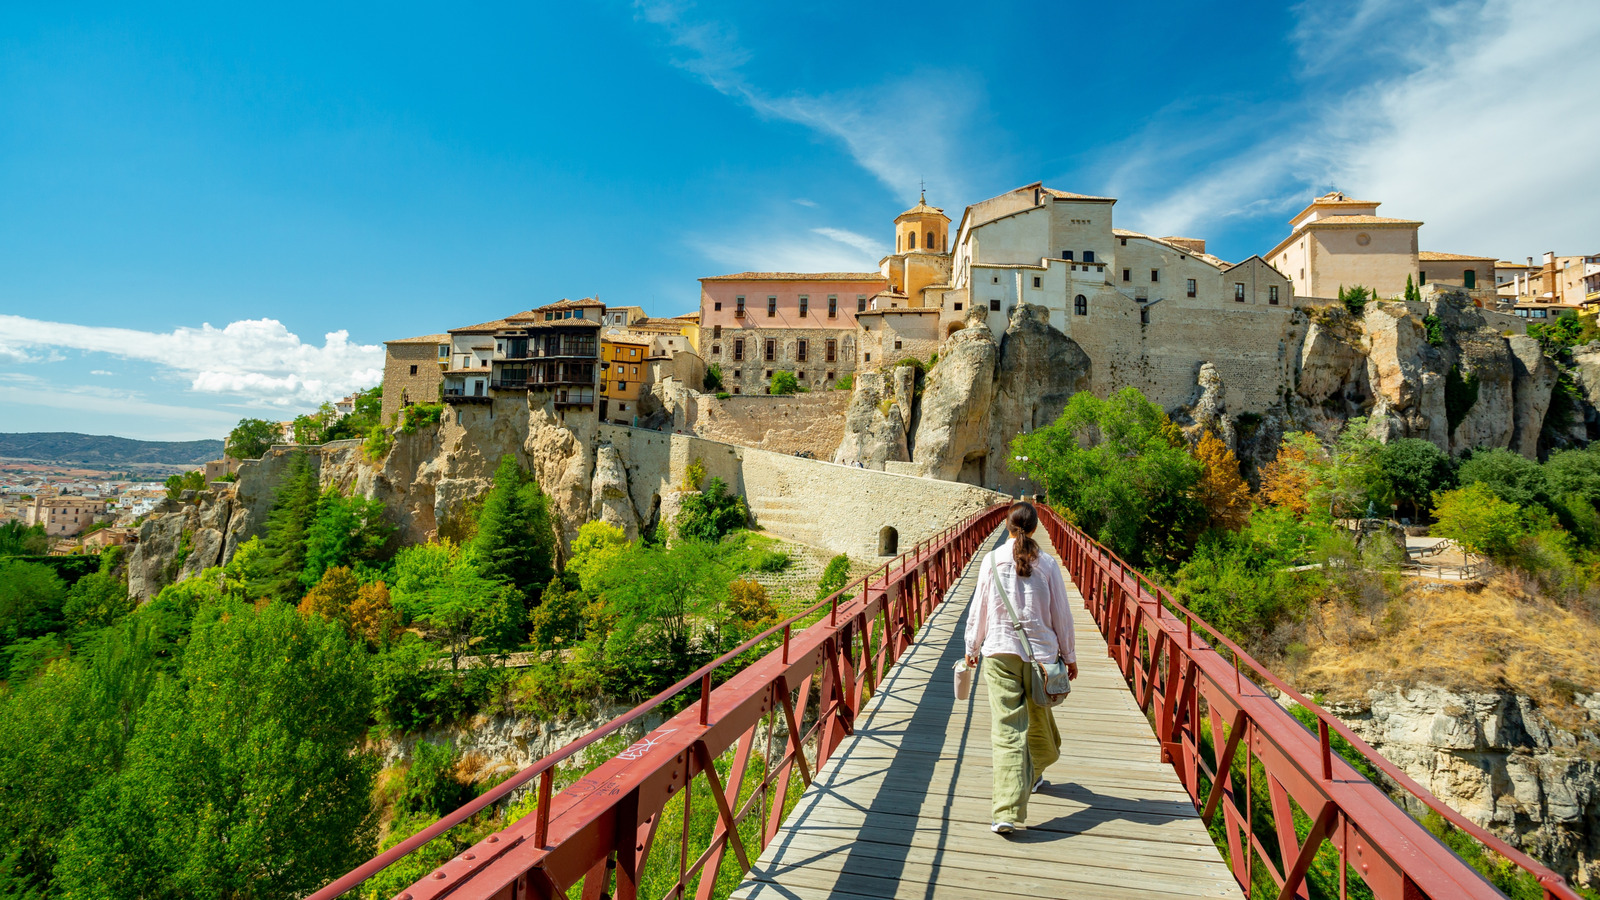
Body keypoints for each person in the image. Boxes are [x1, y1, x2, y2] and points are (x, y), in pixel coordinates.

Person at [963, 500, 1077, 835]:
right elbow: (1062, 615)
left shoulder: (991, 560)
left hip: (999, 653)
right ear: (1036, 528)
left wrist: (972, 646)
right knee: (1028, 722)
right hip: (1041, 658)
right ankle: (1007, 809)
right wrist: (1069, 655)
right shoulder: (1048, 564)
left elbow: (980, 606)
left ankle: (1026, 779)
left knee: (1013, 730)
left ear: (1009, 528)